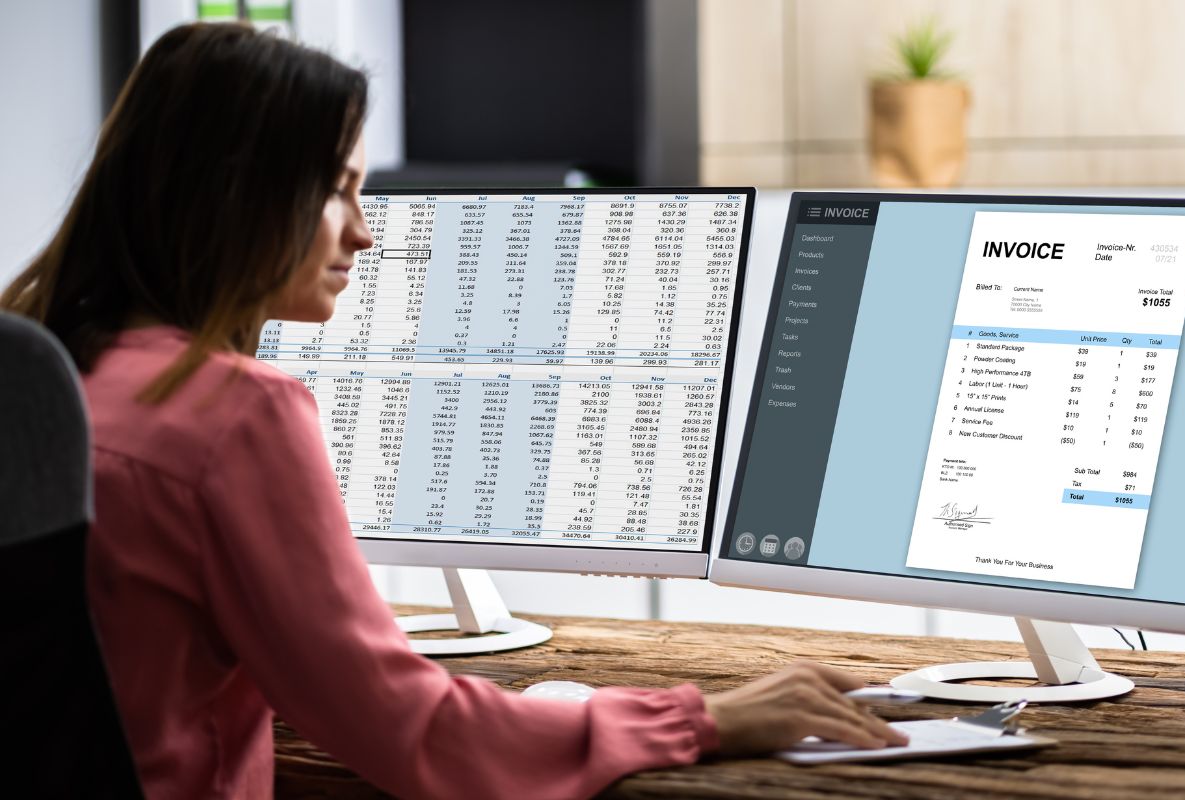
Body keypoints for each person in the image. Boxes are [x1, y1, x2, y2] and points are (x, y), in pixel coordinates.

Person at [1, 22, 906, 799]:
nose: (362, 230)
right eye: (336, 189)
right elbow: (413, 733)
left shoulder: (48, 381)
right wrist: (698, 715)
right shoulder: (231, 413)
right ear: (236, 190)